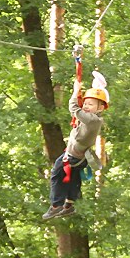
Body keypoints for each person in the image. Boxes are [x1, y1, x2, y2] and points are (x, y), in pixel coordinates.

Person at [44, 80, 108, 220]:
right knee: (73, 178)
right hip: (80, 157)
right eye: (85, 103)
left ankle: (56, 205)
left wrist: (75, 91)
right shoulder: (93, 119)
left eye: (90, 104)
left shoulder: (92, 120)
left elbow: (73, 108)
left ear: (100, 108)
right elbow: (79, 110)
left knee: (56, 175)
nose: (85, 106)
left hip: (72, 156)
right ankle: (69, 204)